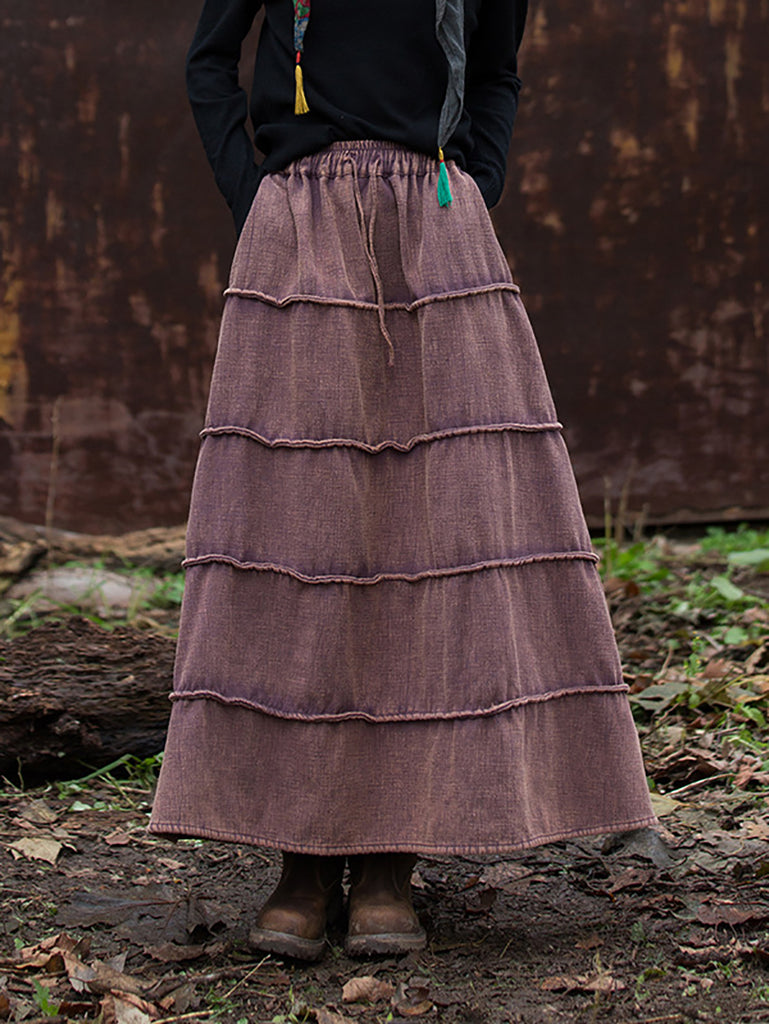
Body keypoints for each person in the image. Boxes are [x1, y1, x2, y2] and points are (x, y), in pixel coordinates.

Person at [149, 0, 657, 961]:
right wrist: (253, 194)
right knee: (299, 538)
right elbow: (209, 61)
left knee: (436, 537)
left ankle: (391, 861)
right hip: (298, 226)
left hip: (436, 229)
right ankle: (301, 861)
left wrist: (477, 187)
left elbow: (495, 75)